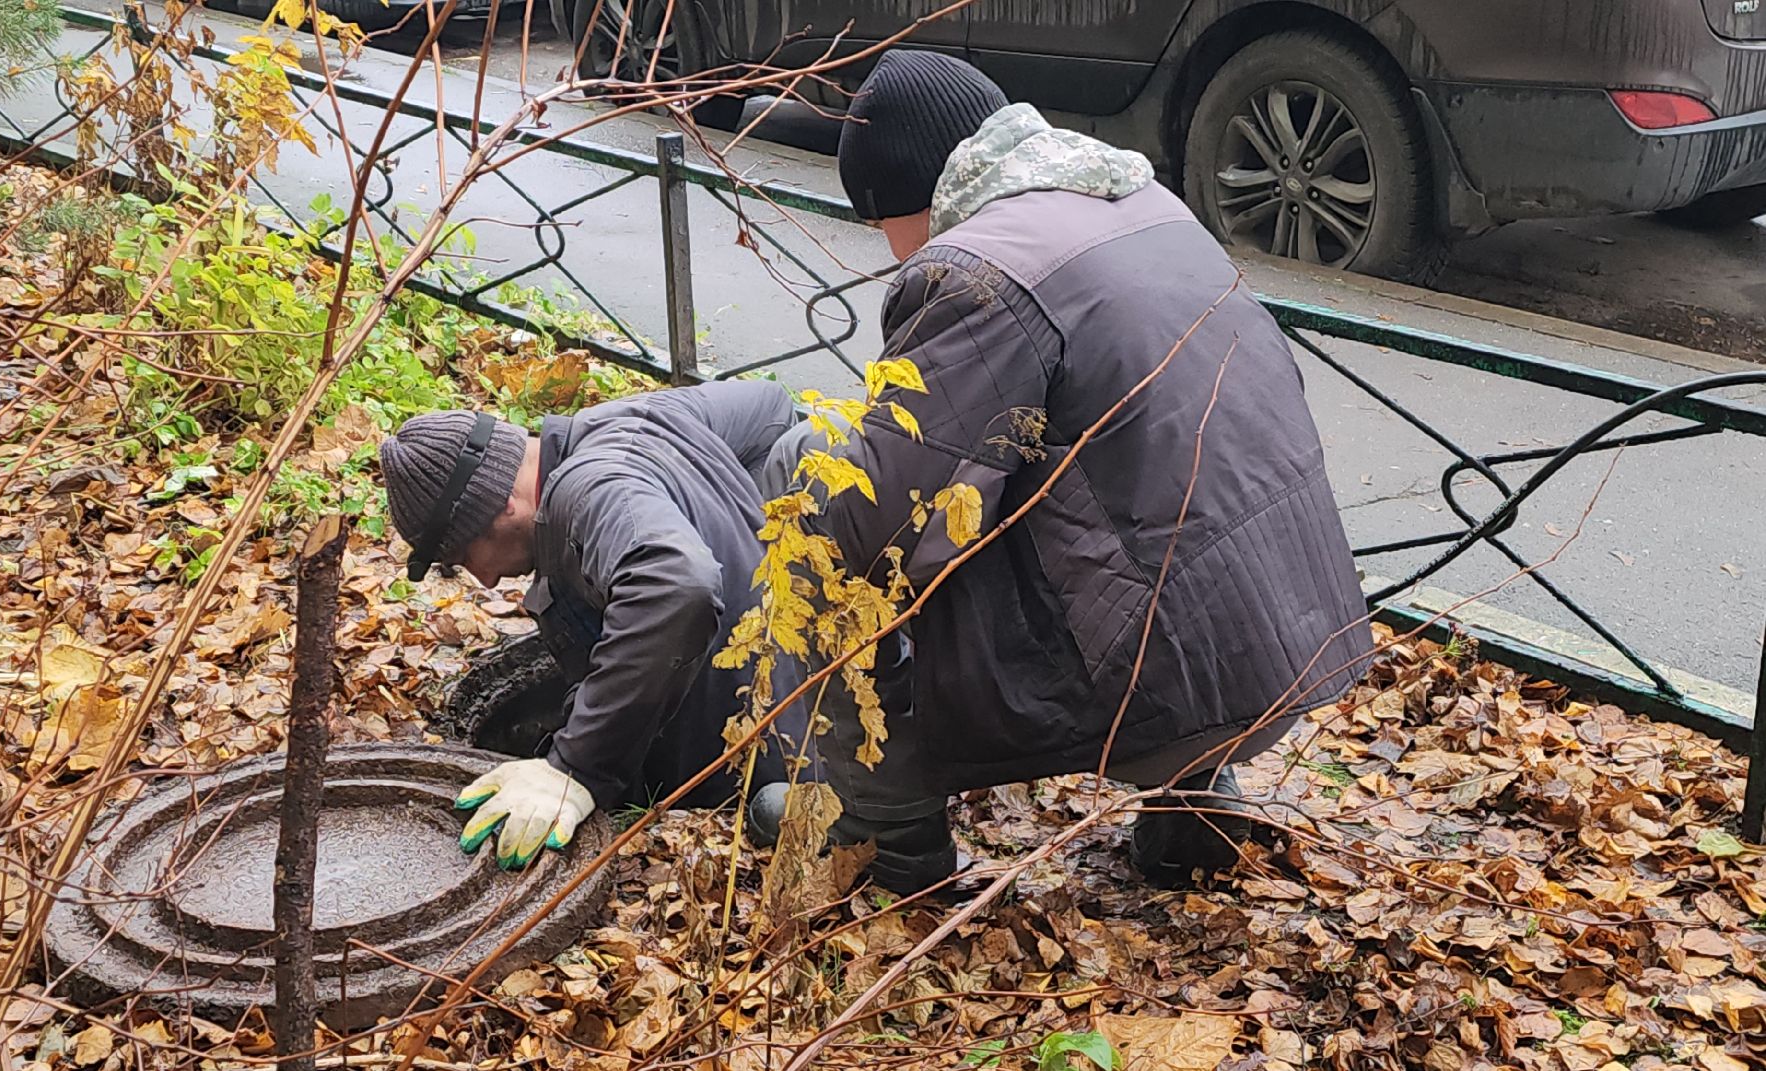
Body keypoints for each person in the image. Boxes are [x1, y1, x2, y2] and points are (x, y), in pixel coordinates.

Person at [767, 51, 1373, 894]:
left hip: (1168, 692)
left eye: (880, 226)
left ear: (912, 197)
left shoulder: (968, 272)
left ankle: (884, 838)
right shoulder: (1139, 200)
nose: (886, 251)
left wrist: (832, 450)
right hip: (1292, 636)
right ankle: (1194, 807)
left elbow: (882, 532)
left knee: (813, 489)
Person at [378, 380, 818, 869]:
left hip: (767, 770)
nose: (483, 578)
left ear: (503, 504)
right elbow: (773, 406)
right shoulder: (644, 415)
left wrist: (575, 769)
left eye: (465, 556)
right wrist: (749, 543)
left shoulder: (587, 491)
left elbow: (676, 587)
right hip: (818, 699)